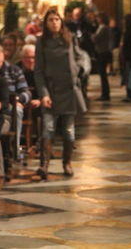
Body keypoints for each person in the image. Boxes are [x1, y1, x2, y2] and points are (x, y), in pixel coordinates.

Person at [35, 10, 87, 179]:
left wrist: (78, 70)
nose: (54, 23)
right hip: (51, 90)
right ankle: (45, 164)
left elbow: (81, 57)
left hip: (69, 90)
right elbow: (39, 71)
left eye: (57, 19)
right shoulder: (41, 42)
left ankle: (67, 162)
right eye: (50, 20)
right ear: (46, 23)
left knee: (68, 131)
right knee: (48, 129)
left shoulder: (69, 38)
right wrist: (43, 93)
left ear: (61, 21)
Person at [92, 12, 113, 101]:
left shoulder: (103, 28)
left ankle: (105, 94)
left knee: (103, 74)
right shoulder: (103, 28)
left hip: (103, 52)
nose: (97, 19)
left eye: (99, 18)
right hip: (102, 51)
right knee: (102, 74)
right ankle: (105, 93)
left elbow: (96, 38)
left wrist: (92, 36)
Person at [120, 14, 131, 102]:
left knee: (130, 76)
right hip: (129, 56)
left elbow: (128, 45)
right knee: (129, 75)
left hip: (129, 57)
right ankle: (130, 94)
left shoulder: (130, 32)